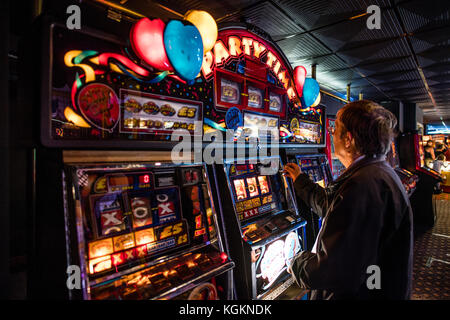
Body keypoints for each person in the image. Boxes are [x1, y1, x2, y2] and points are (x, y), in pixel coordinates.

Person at [283, 100, 413, 300]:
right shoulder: (376, 172)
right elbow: (332, 205)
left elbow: (331, 270)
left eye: (335, 128)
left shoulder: (363, 186)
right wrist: (301, 181)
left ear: (348, 139)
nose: (331, 133)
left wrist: (294, 260)